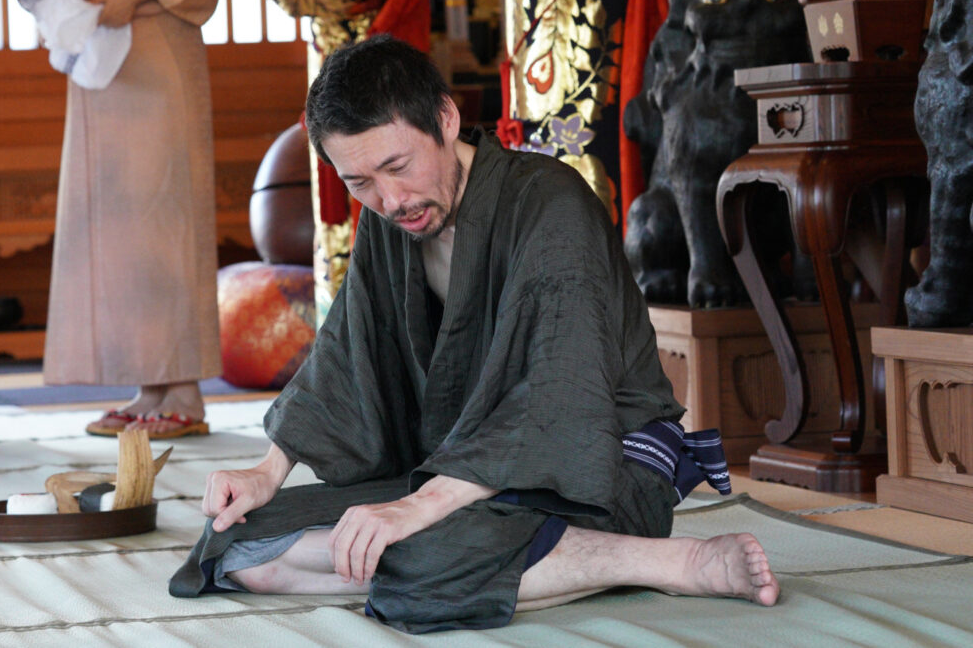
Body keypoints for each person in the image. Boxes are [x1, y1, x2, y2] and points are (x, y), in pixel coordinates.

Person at [170, 35, 779, 632]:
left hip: (596, 465)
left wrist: (414, 510)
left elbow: (558, 396)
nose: (390, 199)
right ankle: (468, 563)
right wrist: (267, 472)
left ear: (445, 117)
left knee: (430, 554)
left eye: (397, 166)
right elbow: (345, 353)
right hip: (468, 472)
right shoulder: (389, 221)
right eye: (359, 183)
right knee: (237, 541)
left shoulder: (550, 205)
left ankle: (677, 562)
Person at [15, 0, 228, 440]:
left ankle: (186, 391)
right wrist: (67, 2)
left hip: (155, 33)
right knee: (116, 215)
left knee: (164, 203)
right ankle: (147, 384)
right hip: (94, 51)